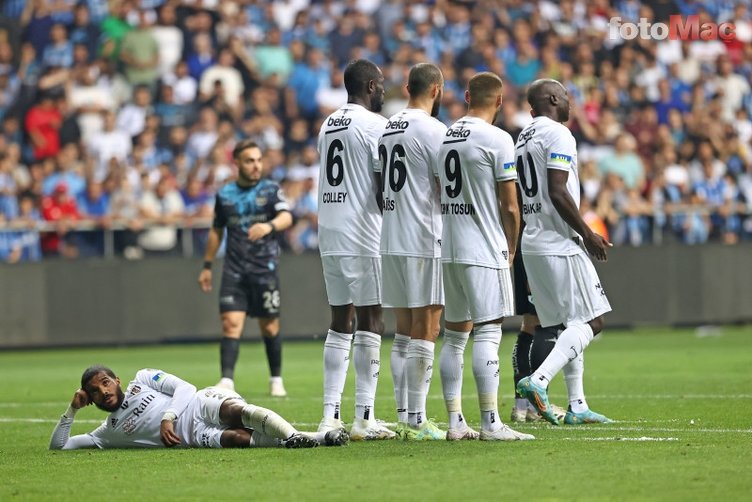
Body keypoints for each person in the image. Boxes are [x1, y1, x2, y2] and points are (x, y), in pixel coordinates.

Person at [436, 72, 533, 441]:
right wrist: (511, 247)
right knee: (489, 332)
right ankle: (491, 423)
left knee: (455, 337)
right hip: (483, 246)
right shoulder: (498, 139)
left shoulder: (447, 135)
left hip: (451, 247)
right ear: (499, 100)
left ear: (465, 97)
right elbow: (510, 206)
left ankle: (455, 422)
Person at [515, 79, 613, 425]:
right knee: (592, 321)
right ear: (554, 99)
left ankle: (578, 405)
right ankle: (539, 381)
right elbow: (557, 191)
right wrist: (587, 233)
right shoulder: (558, 134)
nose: (571, 102)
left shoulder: (524, 137)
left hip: (533, 241)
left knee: (566, 324)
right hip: (559, 242)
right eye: (568, 96)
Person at [316, 59, 394, 441]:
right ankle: (364, 417)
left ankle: (329, 416)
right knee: (371, 320)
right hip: (362, 230)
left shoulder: (328, 123)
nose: (384, 91)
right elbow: (382, 189)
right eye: (381, 85)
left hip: (329, 230)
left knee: (339, 320)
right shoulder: (376, 126)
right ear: (369, 86)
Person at [377, 63, 447, 440]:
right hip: (425, 235)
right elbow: (448, 183)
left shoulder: (388, 127)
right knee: (428, 327)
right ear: (436, 90)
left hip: (391, 236)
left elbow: (378, 183)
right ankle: (418, 421)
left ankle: (405, 416)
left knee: (403, 331)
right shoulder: (434, 130)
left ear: (408, 87)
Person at [49, 365, 348, 450]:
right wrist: (71, 411)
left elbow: (185, 388)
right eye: (94, 392)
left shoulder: (143, 379)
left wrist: (169, 415)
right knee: (237, 438)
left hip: (197, 406)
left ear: (117, 380)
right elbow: (59, 446)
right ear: (89, 398)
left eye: (105, 383)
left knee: (234, 412)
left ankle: (303, 437)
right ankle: (320, 438)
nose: (103, 392)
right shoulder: (107, 433)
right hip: (194, 437)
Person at [198, 140, 293, 397]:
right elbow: (216, 231)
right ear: (237, 163)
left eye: (259, 160)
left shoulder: (271, 190)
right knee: (230, 323)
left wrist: (269, 226)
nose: (256, 165)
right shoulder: (225, 195)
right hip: (234, 269)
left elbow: (287, 217)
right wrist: (207, 265)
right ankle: (226, 380)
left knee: (270, 326)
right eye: (250, 160)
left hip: (265, 268)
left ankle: (276, 379)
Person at [509, 250, 567, 423]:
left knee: (529, 325)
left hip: (523, 248)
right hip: (538, 251)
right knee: (543, 324)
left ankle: (521, 407)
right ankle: (535, 408)